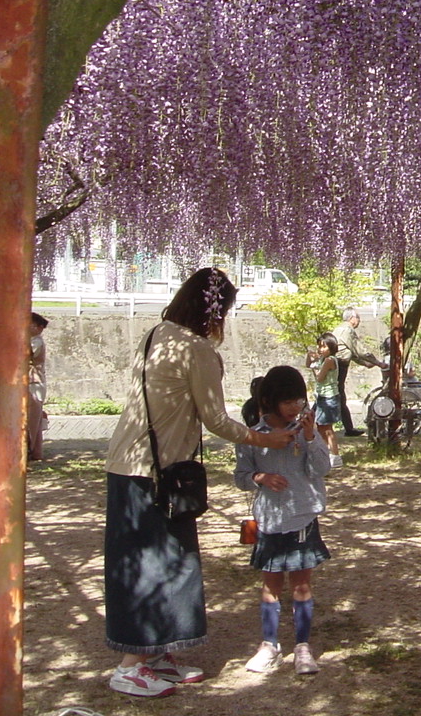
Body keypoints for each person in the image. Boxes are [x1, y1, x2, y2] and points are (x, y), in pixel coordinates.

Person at [103, 268, 294, 698]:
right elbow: (215, 419)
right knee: (153, 563)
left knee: (171, 559)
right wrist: (265, 438)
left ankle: (159, 654)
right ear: (216, 310)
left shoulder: (154, 333)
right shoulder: (197, 349)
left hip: (132, 464)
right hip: (153, 472)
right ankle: (130, 666)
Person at [235, 366, 332, 676]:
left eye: (300, 400)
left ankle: (302, 647)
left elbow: (321, 468)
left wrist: (310, 436)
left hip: (303, 516)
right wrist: (260, 477)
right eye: (288, 401)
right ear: (271, 400)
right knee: (271, 584)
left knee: (302, 584)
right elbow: (240, 477)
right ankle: (269, 646)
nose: (296, 407)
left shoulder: (307, 432)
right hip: (270, 520)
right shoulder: (252, 436)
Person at [332, 307, 386, 438]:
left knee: (336, 395)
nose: (359, 321)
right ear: (352, 319)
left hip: (337, 364)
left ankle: (349, 428)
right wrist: (377, 362)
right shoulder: (347, 330)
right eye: (358, 318)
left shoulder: (339, 329)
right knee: (333, 395)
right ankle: (346, 428)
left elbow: (351, 352)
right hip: (339, 366)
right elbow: (359, 350)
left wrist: (366, 363)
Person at [306, 332, 342, 467]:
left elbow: (320, 377)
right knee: (318, 426)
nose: (320, 349)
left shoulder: (330, 360)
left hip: (329, 397)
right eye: (319, 346)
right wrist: (310, 357)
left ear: (331, 347)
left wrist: (315, 368)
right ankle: (326, 453)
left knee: (327, 428)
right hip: (321, 396)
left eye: (323, 347)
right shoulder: (322, 359)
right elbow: (307, 364)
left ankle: (335, 456)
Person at [27, 312, 50, 461]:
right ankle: (36, 453)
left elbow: (28, 353)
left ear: (39, 327)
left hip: (34, 382)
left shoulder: (36, 341)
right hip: (31, 381)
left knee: (32, 420)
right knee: (34, 419)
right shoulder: (32, 340)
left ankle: (30, 449)